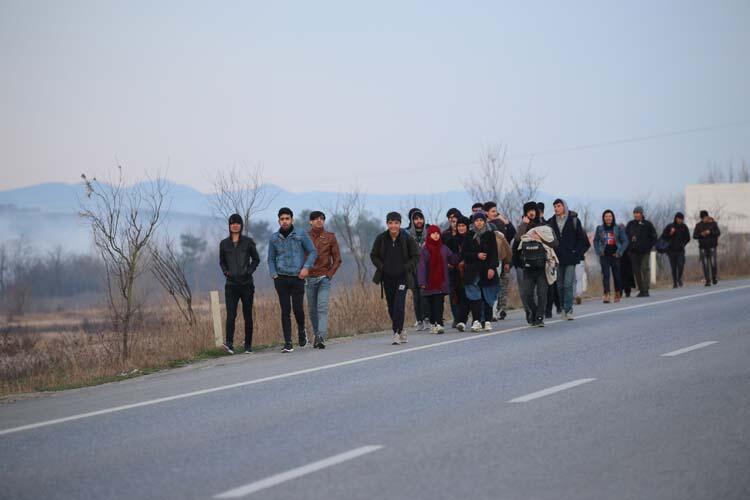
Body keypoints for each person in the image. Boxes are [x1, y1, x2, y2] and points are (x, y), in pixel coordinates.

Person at [268, 207, 317, 353]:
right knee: (285, 310)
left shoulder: (301, 234)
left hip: (297, 277)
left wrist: (306, 267)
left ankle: (302, 331)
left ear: (292, 220)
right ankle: (288, 342)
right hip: (281, 278)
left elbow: (313, 251)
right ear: (278, 221)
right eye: (282, 219)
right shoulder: (274, 238)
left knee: (297, 309)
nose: (284, 221)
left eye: (287, 218)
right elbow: (270, 258)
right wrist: (273, 274)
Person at [371, 212, 420, 345]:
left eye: (396, 223)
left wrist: (405, 267)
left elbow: (416, 256)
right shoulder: (381, 238)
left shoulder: (407, 238)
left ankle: (396, 332)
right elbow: (373, 255)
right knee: (391, 305)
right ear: (387, 224)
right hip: (387, 278)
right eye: (391, 223)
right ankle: (401, 328)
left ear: (400, 224)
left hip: (402, 277)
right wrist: (382, 267)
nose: (393, 226)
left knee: (399, 304)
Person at [219, 213, 261, 354]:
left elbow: (256, 259)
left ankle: (248, 345)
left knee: (247, 315)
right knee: (231, 315)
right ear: (229, 226)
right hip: (231, 285)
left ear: (241, 225)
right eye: (232, 223)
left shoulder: (248, 242)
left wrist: (249, 271)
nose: (235, 225)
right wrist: (226, 272)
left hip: (246, 284)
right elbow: (222, 262)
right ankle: (229, 344)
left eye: (237, 223)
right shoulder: (224, 244)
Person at [514, 204, 558, 326]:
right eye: (528, 211)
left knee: (542, 293)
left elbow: (555, 243)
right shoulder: (523, 226)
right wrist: (524, 225)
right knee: (527, 294)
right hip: (527, 266)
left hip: (542, 266)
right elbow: (517, 239)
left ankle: (539, 317)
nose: (531, 213)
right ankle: (533, 312)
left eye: (533, 210)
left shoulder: (544, 226)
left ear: (537, 212)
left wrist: (540, 238)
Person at [547, 199, 590, 320]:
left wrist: (576, 253)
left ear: (564, 207)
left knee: (568, 284)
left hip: (571, 258)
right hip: (557, 259)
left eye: (558, 206)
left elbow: (583, 241)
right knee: (559, 285)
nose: (556, 208)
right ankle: (562, 308)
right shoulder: (550, 222)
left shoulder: (574, 220)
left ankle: (569, 309)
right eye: (554, 206)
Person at [306, 211, 342, 349]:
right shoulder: (305, 237)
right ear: (310, 221)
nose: (319, 221)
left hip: (323, 278)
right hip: (309, 278)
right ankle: (317, 335)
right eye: (315, 219)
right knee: (312, 310)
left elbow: (337, 259)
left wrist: (330, 274)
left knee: (322, 308)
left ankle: (321, 336)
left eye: (321, 219)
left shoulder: (330, 237)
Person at [463, 211, 500, 332]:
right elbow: (464, 254)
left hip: (486, 270)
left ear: (485, 222)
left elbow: (494, 254)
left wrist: (492, 268)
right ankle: (476, 321)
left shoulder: (490, 235)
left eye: (481, 220)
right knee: (475, 298)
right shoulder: (469, 235)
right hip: (473, 272)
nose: (479, 223)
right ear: (474, 222)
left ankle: (488, 321)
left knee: (487, 296)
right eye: (477, 220)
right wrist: (476, 255)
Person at [418, 225, 457, 334]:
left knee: (439, 303)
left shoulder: (443, 248)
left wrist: (461, 255)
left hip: (441, 282)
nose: (435, 235)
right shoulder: (425, 250)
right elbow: (422, 267)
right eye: (433, 233)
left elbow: (452, 259)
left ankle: (439, 324)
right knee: (429, 305)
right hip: (429, 282)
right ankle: (432, 323)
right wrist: (421, 282)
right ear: (429, 235)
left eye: (437, 233)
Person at [483, 201, 516, 321]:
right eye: (492, 211)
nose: (495, 213)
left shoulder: (498, 224)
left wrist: (507, 262)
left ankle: (495, 310)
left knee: (497, 285)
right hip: (483, 261)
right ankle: (489, 310)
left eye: (495, 211)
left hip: (498, 260)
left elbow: (508, 240)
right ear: (486, 212)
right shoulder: (481, 223)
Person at [445, 216, 474, 332]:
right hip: (456, 272)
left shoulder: (472, 238)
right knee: (460, 296)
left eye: (463, 226)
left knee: (471, 296)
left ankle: (473, 319)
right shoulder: (452, 240)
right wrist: (449, 263)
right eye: (459, 226)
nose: (461, 228)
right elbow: (447, 255)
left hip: (471, 270)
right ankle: (460, 320)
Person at [593, 210, 629, 303]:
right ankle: (606, 294)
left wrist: (620, 252)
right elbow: (595, 241)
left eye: (610, 216)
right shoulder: (600, 228)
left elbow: (625, 241)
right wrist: (598, 251)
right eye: (606, 216)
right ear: (603, 218)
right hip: (604, 255)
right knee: (606, 275)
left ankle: (617, 293)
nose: (608, 218)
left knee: (616, 275)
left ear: (612, 217)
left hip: (615, 255)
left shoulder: (618, 228)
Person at [625, 206, 657, 297]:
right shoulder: (630, 224)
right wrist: (630, 242)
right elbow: (625, 236)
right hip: (633, 252)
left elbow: (654, 237)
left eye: (638, 213)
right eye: (635, 213)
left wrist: (649, 246)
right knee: (636, 271)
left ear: (642, 214)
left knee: (644, 269)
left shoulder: (647, 224)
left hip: (645, 251)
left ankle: (646, 289)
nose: (636, 214)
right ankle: (641, 289)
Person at [406, 208, 430, 330]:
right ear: (412, 220)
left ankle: (427, 318)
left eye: (420, 218)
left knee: (424, 293)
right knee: (416, 295)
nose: (419, 221)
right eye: (416, 219)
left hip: (426, 267)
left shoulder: (429, 232)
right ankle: (419, 319)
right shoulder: (407, 234)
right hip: (413, 269)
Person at [661, 212, 691, 288]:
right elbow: (663, 237)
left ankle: (679, 278)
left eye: (681, 219)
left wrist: (683, 244)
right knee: (673, 267)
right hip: (670, 250)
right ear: (676, 218)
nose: (680, 220)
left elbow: (688, 238)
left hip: (680, 250)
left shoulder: (684, 227)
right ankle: (675, 282)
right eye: (679, 218)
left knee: (681, 265)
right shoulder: (670, 226)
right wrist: (670, 233)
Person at [693, 210, 721, 286]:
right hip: (702, 247)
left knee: (713, 263)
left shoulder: (713, 224)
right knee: (705, 264)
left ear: (708, 216)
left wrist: (710, 232)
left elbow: (718, 233)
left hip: (712, 246)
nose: (705, 219)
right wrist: (701, 234)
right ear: (701, 218)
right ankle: (708, 280)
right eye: (703, 218)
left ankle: (714, 277)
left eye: (706, 217)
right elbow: (694, 236)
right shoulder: (698, 225)